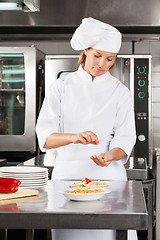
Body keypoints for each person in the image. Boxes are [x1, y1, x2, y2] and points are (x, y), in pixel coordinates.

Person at [36, 17, 137, 240]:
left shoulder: (120, 92)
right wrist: (74, 137)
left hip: (108, 179)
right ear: (86, 51)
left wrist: (109, 156)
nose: (102, 64)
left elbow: (125, 138)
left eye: (109, 59)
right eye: (97, 56)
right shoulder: (61, 87)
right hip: (68, 179)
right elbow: (45, 137)